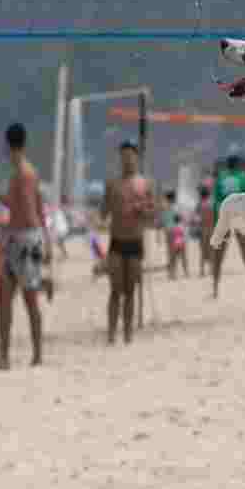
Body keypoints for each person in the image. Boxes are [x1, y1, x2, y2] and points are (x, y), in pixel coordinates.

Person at [0, 123, 53, 369]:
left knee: (27, 299)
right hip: (25, 239)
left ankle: (31, 355)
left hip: (23, 240)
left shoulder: (22, 174)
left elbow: (24, 210)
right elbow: (38, 209)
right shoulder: (28, 172)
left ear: (8, 145)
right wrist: (46, 240)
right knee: (9, 298)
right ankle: (15, 355)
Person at [101, 140, 155, 344]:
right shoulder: (112, 184)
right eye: (123, 156)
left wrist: (143, 210)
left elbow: (153, 214)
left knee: (131, 290)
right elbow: (103, 212)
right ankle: (111, 333)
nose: (127, 160)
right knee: (115, 289)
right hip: (116, 240)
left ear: (136, 157)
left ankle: (128, 334)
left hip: (135, 240)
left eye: (130, 156)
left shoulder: (144, 183)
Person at [211, 155, 245, 299]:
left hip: (225, 217)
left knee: (219, 256)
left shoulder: (220, 178)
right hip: (239, 218)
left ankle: (215, 290)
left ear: (227, 166)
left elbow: (216, 201)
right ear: (238, 165)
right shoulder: (243, 177)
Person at [162, 190, 189, 279]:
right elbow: (182, 220)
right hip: (178, 232)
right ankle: (186, 272)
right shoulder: (178, 207)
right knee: (182, 253)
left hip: (169, 232)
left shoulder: (166, 209)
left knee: (171, 254)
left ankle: (172, 273)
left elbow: (163, 222)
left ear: (168, 198)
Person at [196, 184, 214, 277]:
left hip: (203, 229)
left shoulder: (200, 205)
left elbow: (197, 218)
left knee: (203, 251)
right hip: (211, 228)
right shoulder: (211, 204)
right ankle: (210, 269)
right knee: (210, 250)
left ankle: (202, 270)